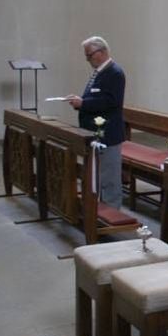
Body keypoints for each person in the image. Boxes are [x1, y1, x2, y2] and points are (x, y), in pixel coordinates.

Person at [68, 36, 126, 209]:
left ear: (102, 52)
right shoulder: (100, 72)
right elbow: (95, 96)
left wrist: (83, 103)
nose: (87, 59)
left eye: (89, 55)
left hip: (108, 134)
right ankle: (98, 211)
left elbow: (111, 102)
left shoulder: (115, 73)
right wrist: (81, 101)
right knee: (98, 176)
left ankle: (112, 213)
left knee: (109, 178)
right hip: (95, 133)